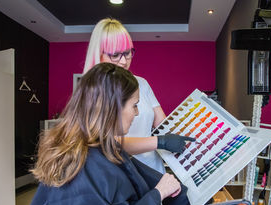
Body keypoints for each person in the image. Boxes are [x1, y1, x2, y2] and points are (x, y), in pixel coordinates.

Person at [25, 63, 190, 205]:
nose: (136, 113)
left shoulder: (78, 147)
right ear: (114, 108)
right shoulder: (90, 163)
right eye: (134, 106)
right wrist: (158, 193)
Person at [83, 18, 194, 173]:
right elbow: (106, 144)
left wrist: (190, 131)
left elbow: (163, 123)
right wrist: (159, 142)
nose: (123, 61)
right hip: (122, 173)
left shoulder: (141, 83)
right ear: (99, 54)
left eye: (127, 53)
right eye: (115, 54)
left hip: (154, 169)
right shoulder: (94, 92)